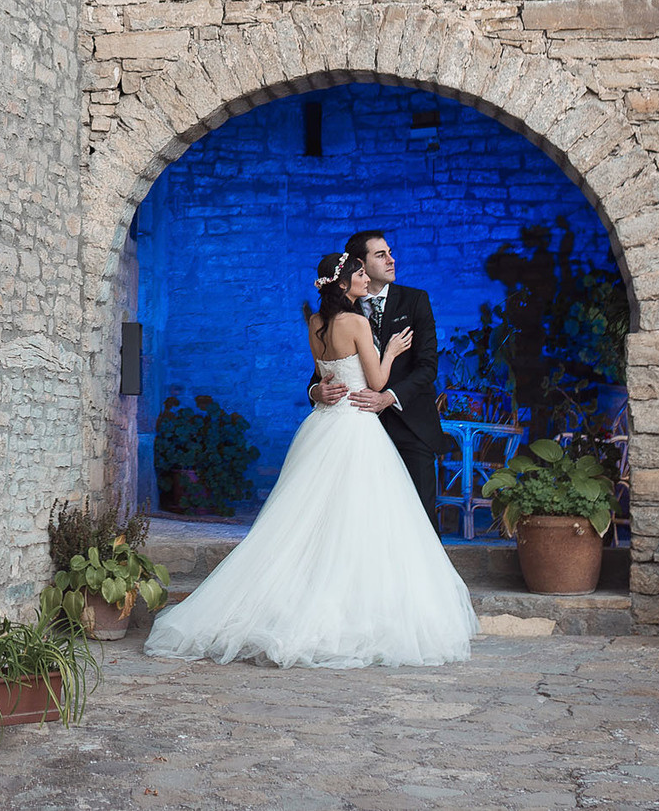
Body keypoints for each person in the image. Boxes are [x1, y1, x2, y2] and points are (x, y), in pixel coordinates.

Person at [144, 253, 476, 668]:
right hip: (355, 426)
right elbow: (375, 382)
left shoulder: (315, 324)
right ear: (342, 285)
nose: (364, 278)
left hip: (323, 427)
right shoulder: (354, 323)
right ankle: (349, 609)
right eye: (358, 274)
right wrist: (389, 350)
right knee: (357, 519)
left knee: (313, 517)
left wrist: (320, 391)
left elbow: (322, 377)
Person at [310, 230, 443, 531]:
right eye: (380, 255)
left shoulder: (415, 300)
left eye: (390, 252)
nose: (391, 260)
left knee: (420, 519)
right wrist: (316, 390)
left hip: (409, 422)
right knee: (357, 519)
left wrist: (389, 396)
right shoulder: (341, 308)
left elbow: (427, 365)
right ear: (359, 264)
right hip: (355, 431)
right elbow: (324, 370)